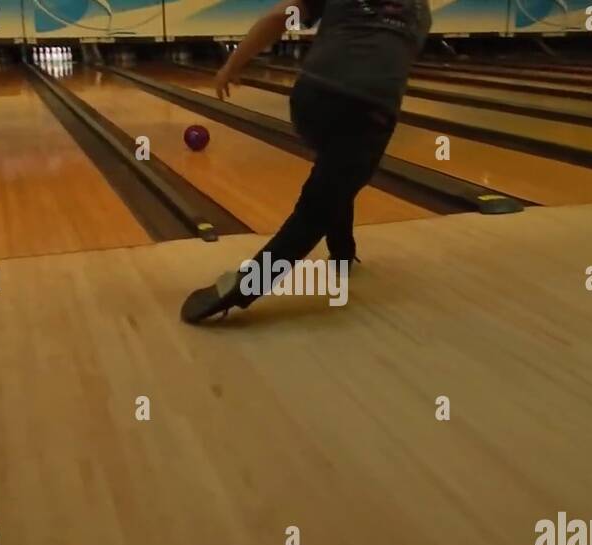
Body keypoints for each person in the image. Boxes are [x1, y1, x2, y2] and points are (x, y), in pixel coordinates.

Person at [181, 0, 432, 324]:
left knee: (337, 174)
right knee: (321, 203)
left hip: (311, 100)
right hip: (370, 108)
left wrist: (232, 64)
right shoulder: (421, 11)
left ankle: (342, 251)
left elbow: (278, 16)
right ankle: (246, 287)